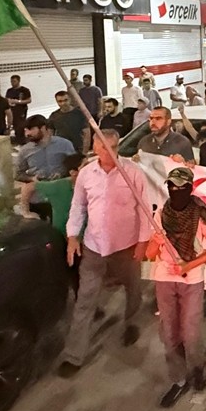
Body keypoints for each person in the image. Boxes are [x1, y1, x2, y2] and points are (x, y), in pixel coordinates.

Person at [57, 129, 149, 377]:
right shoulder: (87, 174)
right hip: (94, 247)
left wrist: (143, 242)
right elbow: (78, 206)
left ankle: (131, 322)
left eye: (114, 148)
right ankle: (74, 355)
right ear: (95, 149)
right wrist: (72, 237)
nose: (110, 153)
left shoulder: (133, 173)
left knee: (133, 289)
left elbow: (144, 210)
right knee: (85, 299)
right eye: (104, 148)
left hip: (126, 246)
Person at [146, 166, 206, 407]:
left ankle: (197, 367)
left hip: (191, 281)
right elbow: (149, 255)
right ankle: (178, 380)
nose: (176, 191)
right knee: (169, 334)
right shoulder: (160, 215)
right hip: (165, 279)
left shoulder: (200, 214)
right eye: (172, 187)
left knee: (190, 334)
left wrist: (189, 263)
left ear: (190, 188)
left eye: (182, 187)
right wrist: (155, 241)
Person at [16, 115, 77, 180]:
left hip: (62, 183)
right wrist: (31, 178)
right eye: (26, 130)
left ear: (43, 128)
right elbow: (18, 174)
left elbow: (75, 166)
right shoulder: (25, 150)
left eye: (31, 129)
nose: (27, 133)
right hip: (39, 186)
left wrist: (64, 174)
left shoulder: (65, 144)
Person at [5, 75, 32, 144]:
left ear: (18, 81)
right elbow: (6, 99)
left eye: (14, 81)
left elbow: (29, 100)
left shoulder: (24, 90)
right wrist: (9, 102)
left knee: (20, 126)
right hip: (12, 111)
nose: (12, 83)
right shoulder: (9, 90)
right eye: (11, 81)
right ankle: (16, 141)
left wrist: (18, 102)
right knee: (13, 125)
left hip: (21, 111)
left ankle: (22, 141)